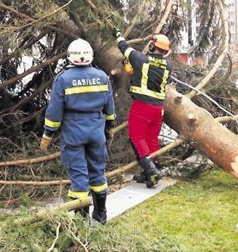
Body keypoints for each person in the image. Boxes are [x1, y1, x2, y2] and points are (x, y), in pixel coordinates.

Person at [40, 38, 115, 224]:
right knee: (98, 171)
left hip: (74, 132)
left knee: (78, 174)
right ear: (90, 56)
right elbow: (110, 108)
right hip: (97, 131)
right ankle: (101, 214)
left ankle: (82, 218)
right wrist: (109, 129)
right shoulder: (102, 76)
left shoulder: (63, 79)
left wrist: (48, 133)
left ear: (70, 57)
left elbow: (55, 111)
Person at [114, 30, 172, 188]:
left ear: (152, 46)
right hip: (159, 108)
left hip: (143, 106)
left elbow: (123, 47)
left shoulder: (141, 59)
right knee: (151, 140)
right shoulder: (168, 65)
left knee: (136, 137)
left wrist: (117, 33)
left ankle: (151, 171)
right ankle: (151, 172)